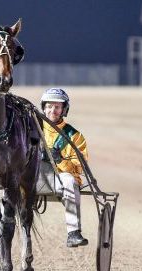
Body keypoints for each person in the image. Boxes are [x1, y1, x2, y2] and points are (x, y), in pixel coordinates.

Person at [40, 88, 88, 247]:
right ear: (43, 107)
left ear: (64, 110)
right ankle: (2, 227)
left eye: (57, 107)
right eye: (49, 106)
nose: (52, 110)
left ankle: (73, 233)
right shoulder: (31, 129)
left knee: (69, 180)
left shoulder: (74, 135)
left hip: (59, 179)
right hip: (32, 177)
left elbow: (79, 167)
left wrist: (59, 159)